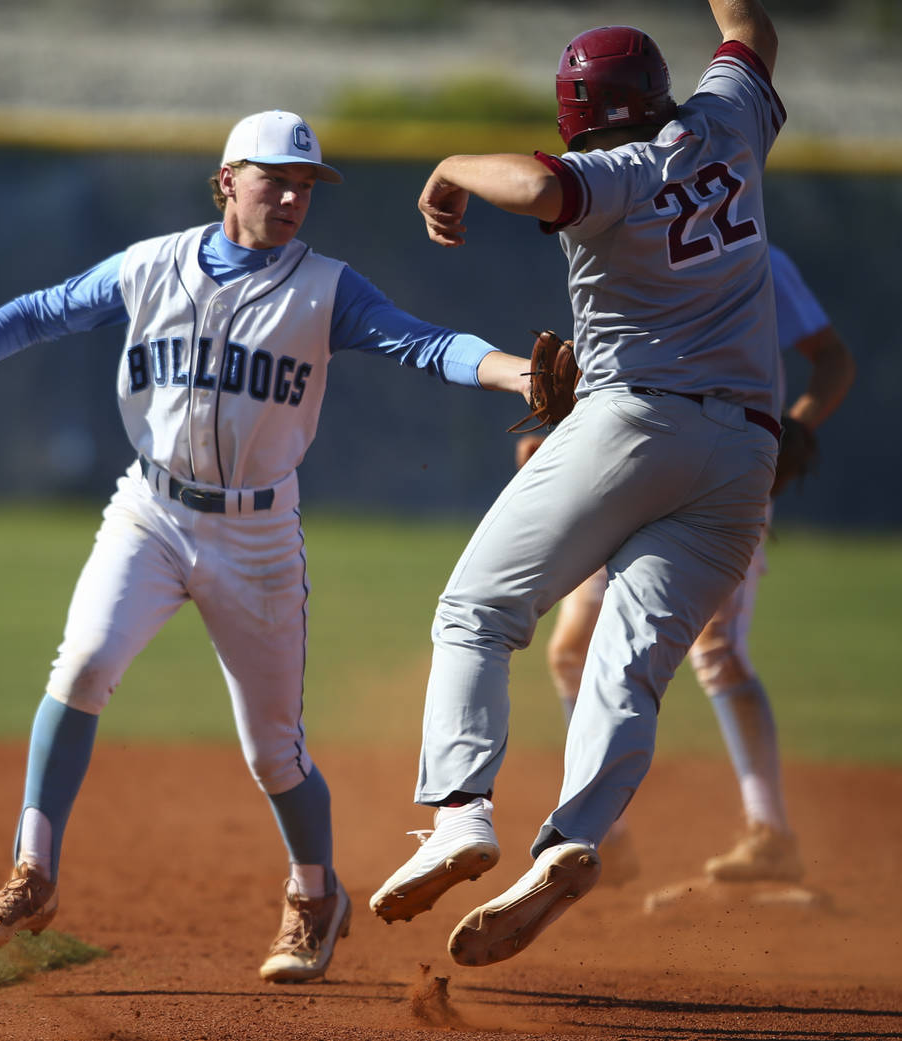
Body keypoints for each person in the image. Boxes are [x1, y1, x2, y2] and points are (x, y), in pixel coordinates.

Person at [0, 110, 531, 983]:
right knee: (80, 669)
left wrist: (516, 372)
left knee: (272, 750)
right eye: (277, 178)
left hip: (257, 535)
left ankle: (313, 893)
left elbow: (427, 345)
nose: (296, 196)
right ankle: (30, 875)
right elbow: (38, 313)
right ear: (228, 179)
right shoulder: (150, 265)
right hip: (149, 510)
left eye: (307, 184)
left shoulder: (326, 287)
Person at [369, 1, 788, 968]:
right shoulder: (729, 120)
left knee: (478, 609)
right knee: (626, 665)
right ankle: (570, 842)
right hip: (744, 462)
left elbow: (532, 183)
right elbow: (750, 26)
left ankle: (463, 816)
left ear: (577, 115)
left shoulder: (613, 174)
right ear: (661, 90)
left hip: (637, 420)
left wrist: (446, 169)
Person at [515, 243, 854, 888]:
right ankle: (594, 834)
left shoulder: (756, 260)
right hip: (624, 471)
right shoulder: (621, 243)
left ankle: (770, 833)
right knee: (571, 650)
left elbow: (833, 358)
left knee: (717, 648)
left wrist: (800, 427)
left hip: (720, 476)